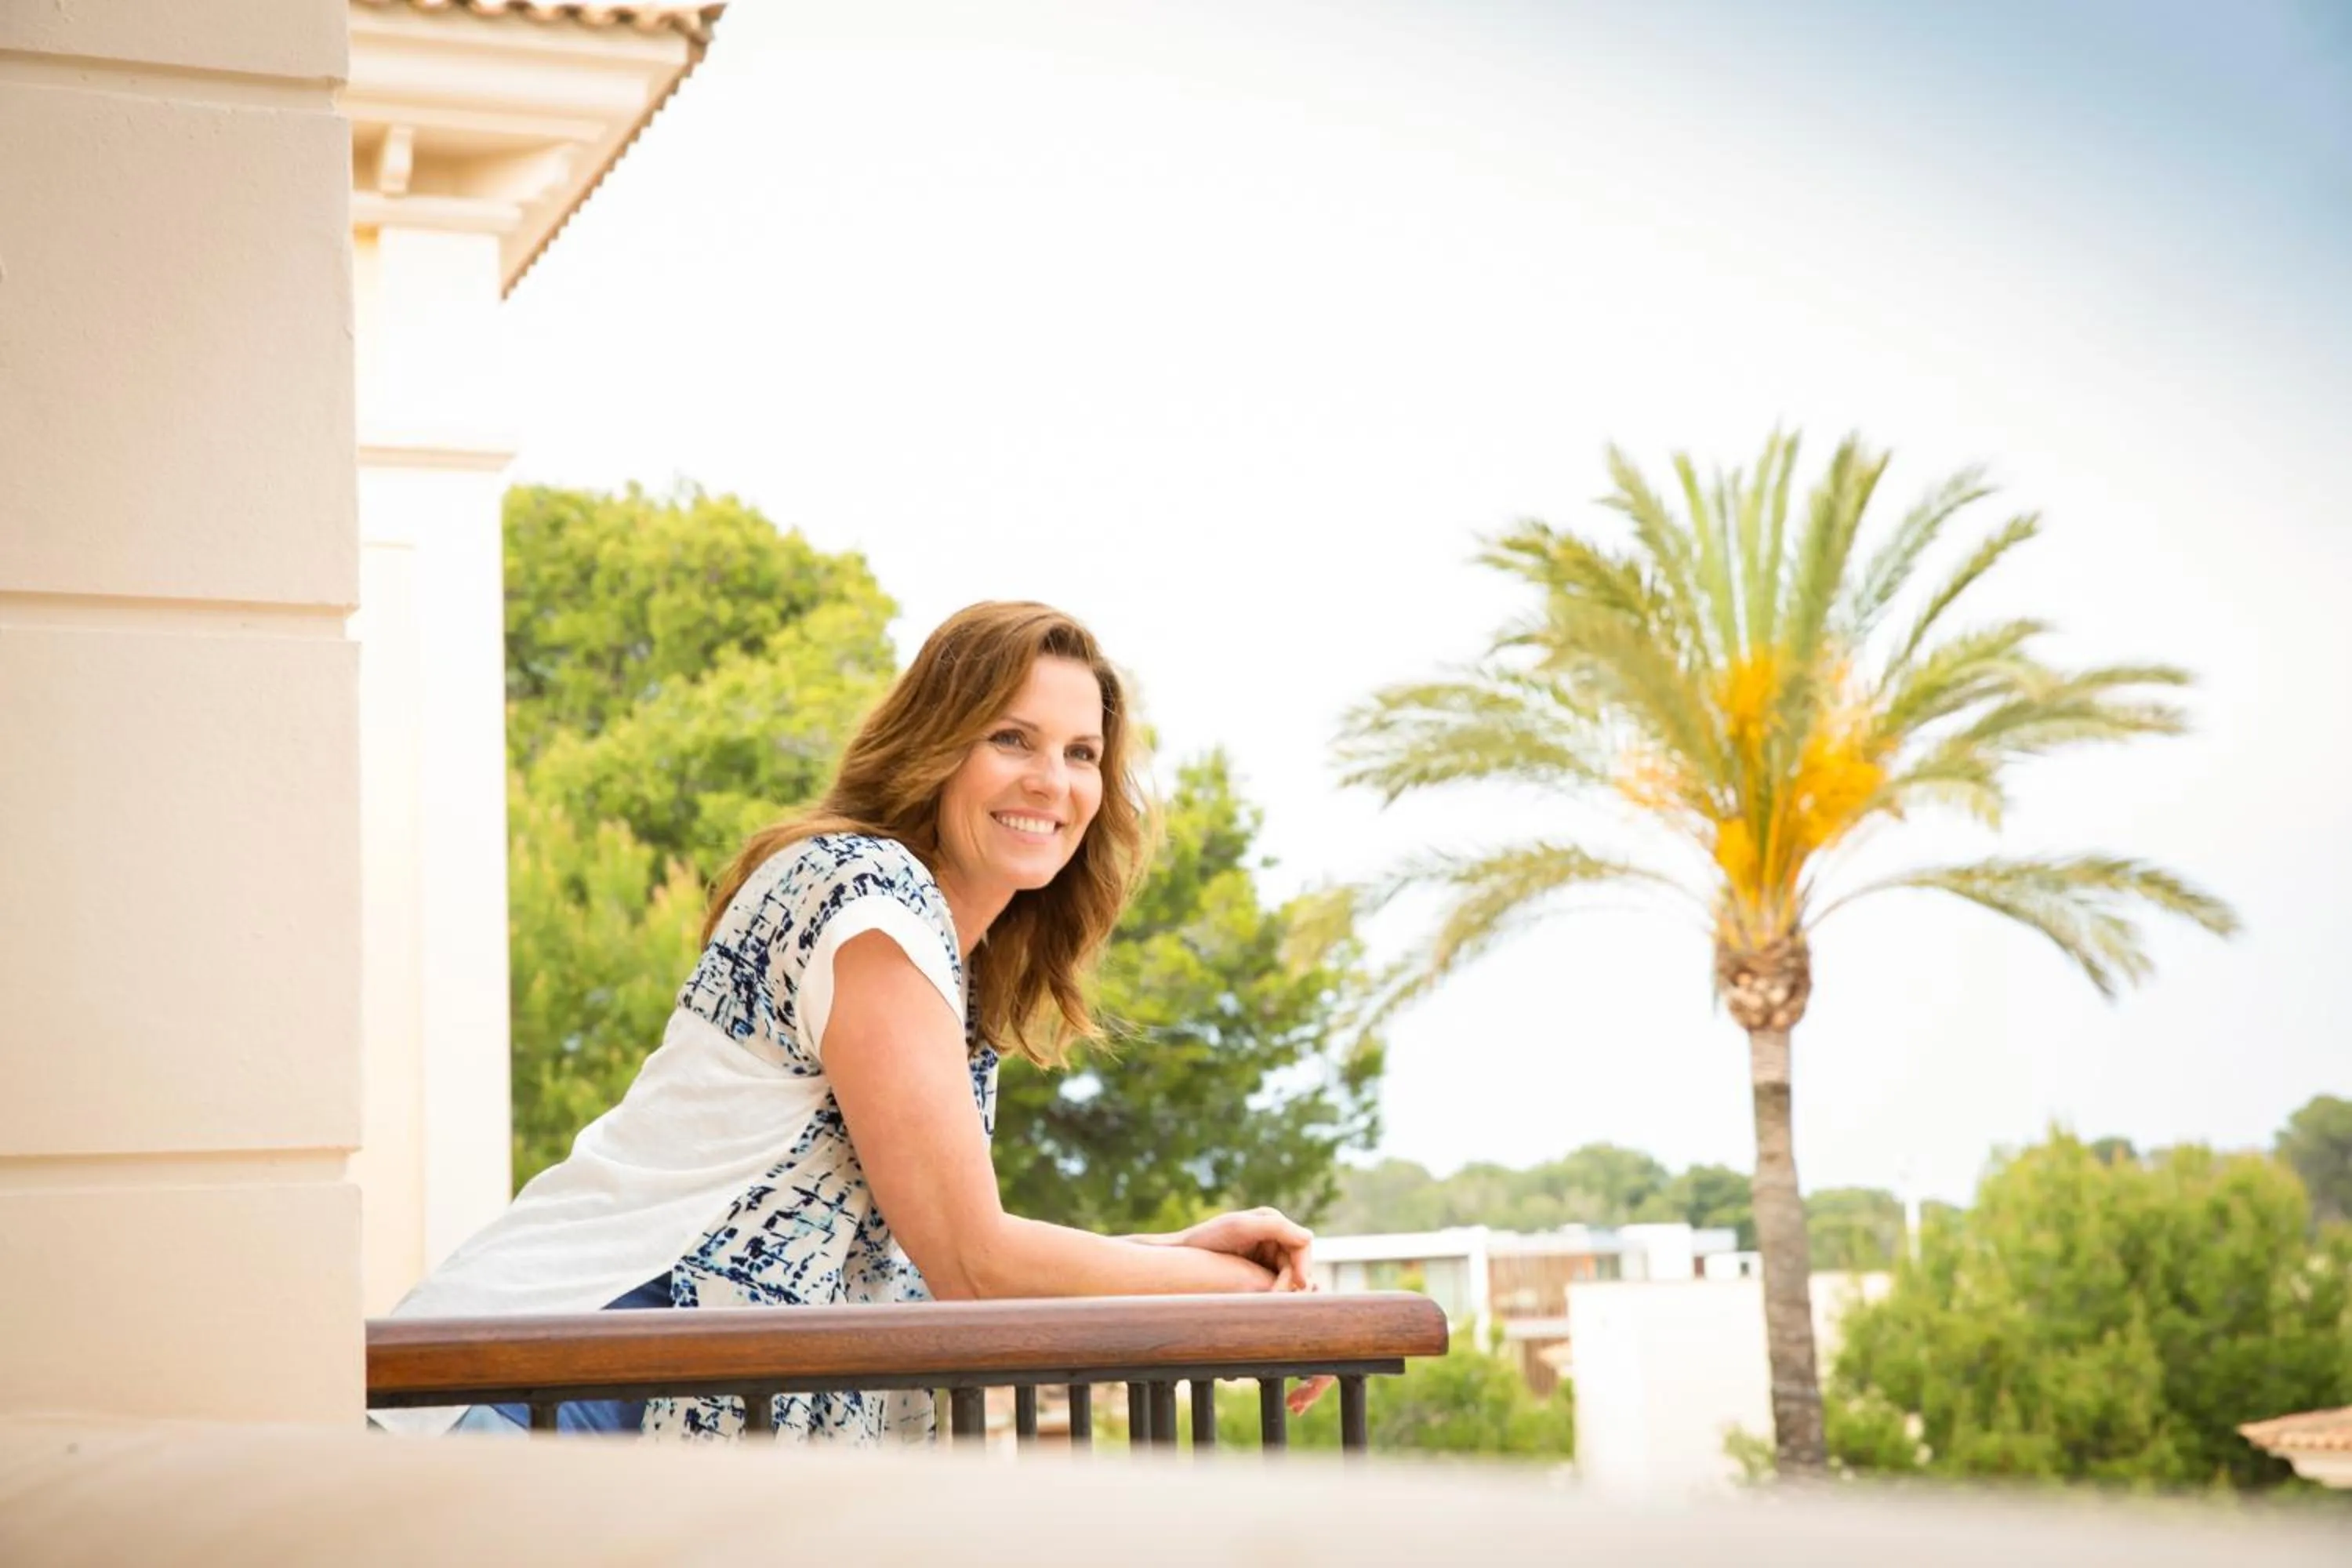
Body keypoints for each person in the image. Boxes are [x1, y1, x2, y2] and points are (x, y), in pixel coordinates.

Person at [379, 601, 1323, 1443]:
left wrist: (1185, 1253)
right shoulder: (866, 897)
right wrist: (1251, 1296)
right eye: (1011, 737)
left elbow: (931, 1250)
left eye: (1081, 753)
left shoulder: (937, 958)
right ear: (937, 745)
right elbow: (972, 1261)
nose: (1053, 779)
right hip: (544, 1393)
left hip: (607, 1397)